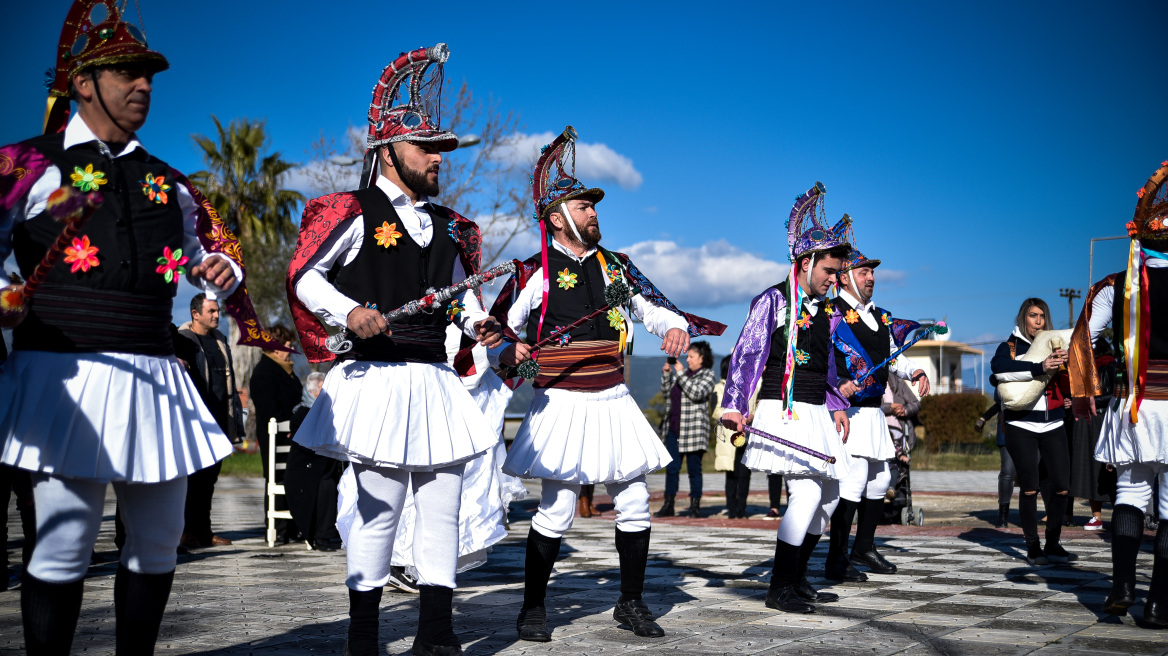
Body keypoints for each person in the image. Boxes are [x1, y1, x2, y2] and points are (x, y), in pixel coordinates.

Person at [0, 2, 283, 652]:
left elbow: (214, 251)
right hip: (59, 374)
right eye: (124, 72)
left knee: (158, 539)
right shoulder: (27, 167)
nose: (143, 85)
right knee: (64, 540)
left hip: (155, 376)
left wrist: (221, 269)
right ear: (80, 83)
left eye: (148, 74)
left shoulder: (169, 182)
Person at [286, 44, 504, 656]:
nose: (439, 159)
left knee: (443, 509)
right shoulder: (349, 211)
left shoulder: (455, 227)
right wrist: (347, 310)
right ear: (387, 152)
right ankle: (363, 638)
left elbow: (461, 299)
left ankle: (437, 635)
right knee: (378, 511)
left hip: (434, 379)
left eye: (442, 149)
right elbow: (304, 275)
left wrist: (480, 321)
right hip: (376, 379)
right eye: (427, 148)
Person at [490, 126, 724, 641]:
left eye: (594, 205)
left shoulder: (616, 266)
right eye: (583, 205)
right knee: (555, 508)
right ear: (556, 216)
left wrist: (675, 328)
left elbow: (653, 310)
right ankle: (533, 608)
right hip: (561, 399)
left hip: (614, 396)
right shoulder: (534, 270)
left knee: (635, 499)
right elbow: (497, 329)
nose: (594, 212)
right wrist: (513, 352)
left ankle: (632, 603)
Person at [720, 181, 853, 613]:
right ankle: (779, 588)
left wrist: (838, 405)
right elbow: (747, 355)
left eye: (838, 274)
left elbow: (828, 367)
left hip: (816, 411)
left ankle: (796, 578)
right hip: (784, 410)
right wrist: (734, 406)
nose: (835, 280)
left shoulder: (827, 311)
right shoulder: (772, 301)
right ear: (806, 261)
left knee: (831, 496)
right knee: (807, 495)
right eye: (829, 272)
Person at [1068, 160, 1168, 626]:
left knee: (1129, 495)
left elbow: (1083, 337)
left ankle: (1121, 586)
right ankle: (1158, 601)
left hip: (1133, 405)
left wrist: (1085, 388)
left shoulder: (1115, 284)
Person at [376, 326, 529, 592]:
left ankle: (427, 564)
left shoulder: (471, 303)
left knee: (459, 486)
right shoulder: (443, 305)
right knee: (424, 478)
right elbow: (450, 349)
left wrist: (501, 352)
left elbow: (482, 336)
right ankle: (401, 561)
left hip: (473, 396)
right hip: (441, 393)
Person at [827, 242, 931, 581]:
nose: (871, 278)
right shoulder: (830, 313)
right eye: (864, 272)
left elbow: (894, 354)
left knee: (882, 478)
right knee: (854, 481)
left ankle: (864, 547)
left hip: (872, 411)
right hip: (847, 412)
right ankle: (836, 558)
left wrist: (914, 371)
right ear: (844, 278)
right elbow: (819, 358)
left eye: (873, 272)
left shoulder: (880, 315)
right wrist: (838, 383)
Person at [990, 298, 1074, 566]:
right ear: (1023, 318)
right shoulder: (1010, 347)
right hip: (1021, 424)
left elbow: (1069, 379)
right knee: (1030, 487)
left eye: (1042, 316)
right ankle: (1033, 547)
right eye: (1032, 315)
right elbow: (998, 369)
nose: (1037, 321)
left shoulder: (1057, 345)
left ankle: (1053, 543)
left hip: (1054, 423)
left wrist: (1070, 393)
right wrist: (1039, 367)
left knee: (1061, 486)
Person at [176, 293, 244, 548]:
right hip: (194, 421)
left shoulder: (220, 340)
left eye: (218, 311)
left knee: (209, 479)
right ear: (195, 314)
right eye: (211, 311)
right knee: (191, 479)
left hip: (219, 420)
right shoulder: (183, 340)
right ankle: (185, 532)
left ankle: (203, 531)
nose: (217, 315)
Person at [249, 324, 303, 545]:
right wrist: (288, 424)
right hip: (276, 438)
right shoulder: (264, 372)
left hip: (292, 437)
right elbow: (268, 408)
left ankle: (293, 526)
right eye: (287, 346)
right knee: (275, 478)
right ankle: (277, 528)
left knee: (293, 479)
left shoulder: (288, 370)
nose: (290, 350)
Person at [656, 341, 717, 518]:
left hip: (694, 430)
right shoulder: (682, 375)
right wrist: (667, 375)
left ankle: (695, 506)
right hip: (674, 427)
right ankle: (668, 504)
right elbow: (667, 393)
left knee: (694, 469)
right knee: (672, 468)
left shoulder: (708, 375)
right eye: (687, 356)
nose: (688, 360)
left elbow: (697, 393)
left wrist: (680, 374)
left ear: (701, 358)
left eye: (691, 356)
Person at [285, 371, 343, 551]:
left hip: (322, 463)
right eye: (323, 390)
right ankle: (322, 534)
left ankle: (336, 531)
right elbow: (306, 445)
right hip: (303, 468)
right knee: (325, 483)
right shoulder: (302, 412)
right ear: (312, 392)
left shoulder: (327, 413)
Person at [1068, 342, 1115, 531]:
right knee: (1089, 468)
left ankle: (1120, 513)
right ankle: (1096, 517)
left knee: (1108, 467)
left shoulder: (1111, 366)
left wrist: (1093, 400)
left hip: (1104, 418)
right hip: (1086, 421)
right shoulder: (1084, 369)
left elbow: (1115, 393)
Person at [714, 356, 753, 519]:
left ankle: (741, 508)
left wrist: (750, 417)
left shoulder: (750, 386)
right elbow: (715, 411)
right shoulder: (719, 388)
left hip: (746, 436)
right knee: (731, 475)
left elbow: (755, 408)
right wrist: (730, 416)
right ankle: (731, 507)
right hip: (729, 437)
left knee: (744, 475)